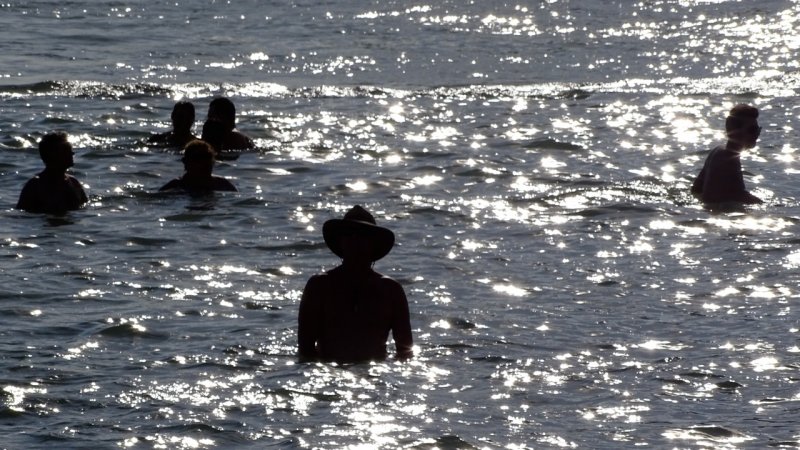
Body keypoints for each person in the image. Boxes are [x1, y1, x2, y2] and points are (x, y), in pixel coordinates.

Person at [298, 205, 413, 363]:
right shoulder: (319, 286)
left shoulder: (391, 290)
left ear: (373, 244)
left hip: (376, 376)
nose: (355, 241)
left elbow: (405, 354)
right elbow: (305, 351)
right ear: (341, 242)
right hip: (328, 375)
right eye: (349, 235)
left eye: (362, 236)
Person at [691, 104, 763, 204]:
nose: (756, 135)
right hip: (715, 214)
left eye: (758, 130)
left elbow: (695, 190)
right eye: (752, 130)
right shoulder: (728, 158)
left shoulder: (719, 151)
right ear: (734, 131)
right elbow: (739, 195)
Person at [16, 132, 88, 214]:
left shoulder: (73, 182)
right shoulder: (35, 185)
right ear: (52, 155)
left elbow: (84, 209)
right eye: (66, 150)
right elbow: (22, 214)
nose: (72, 153)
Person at [159, 139, 237, 192]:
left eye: (208, 157)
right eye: (198, 158)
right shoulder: (176, 186)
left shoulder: (222, 184)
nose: (204, 162)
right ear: (186, 162)